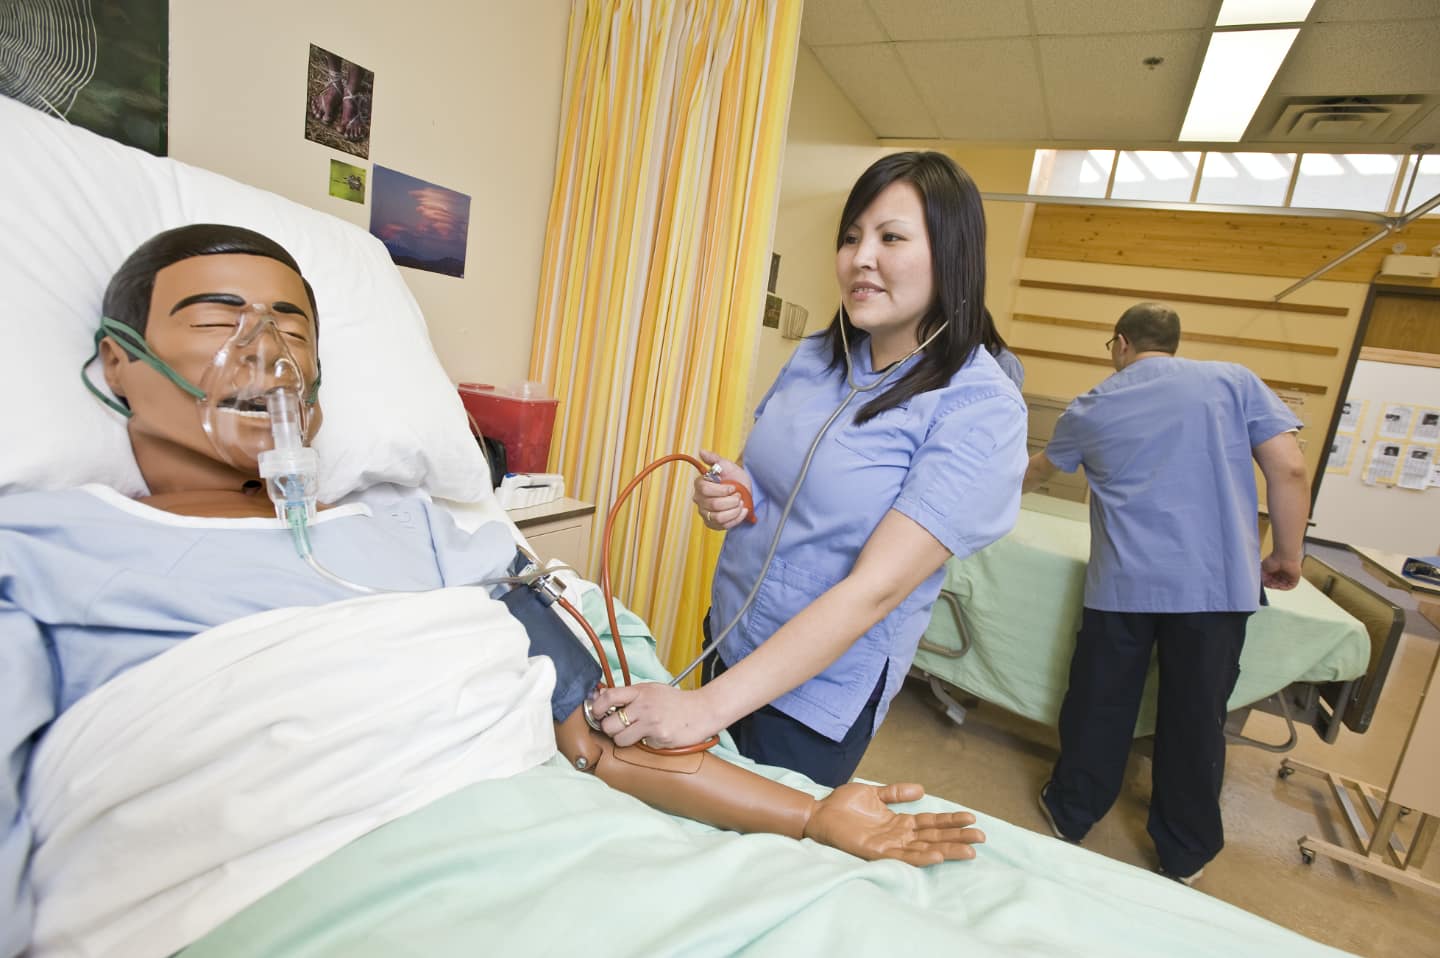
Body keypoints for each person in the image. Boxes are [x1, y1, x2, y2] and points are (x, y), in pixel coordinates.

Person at [0, 225, 988, 957]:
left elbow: (595, 732)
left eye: (290, 323)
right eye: (219, 315)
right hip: (279, 890)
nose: (265, 349)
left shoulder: (423, 526)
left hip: (554, 855)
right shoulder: (47, 549)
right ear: (119, 360)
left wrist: (808, 815)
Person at [591, 151, 1028, 786]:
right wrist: (733, 494)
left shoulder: (979, 409)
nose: (861, 257)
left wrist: (701, 709)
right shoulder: (819, 355)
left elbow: (875, 590)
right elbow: (760, 473)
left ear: (953, 255)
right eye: (851, 237)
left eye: (891, 237)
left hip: (815, 691)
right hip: (733, 635)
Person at [1021, 301, 1308, 885]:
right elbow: (1290, 470)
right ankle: (1185, 850)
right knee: (1197, 718)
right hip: (1216, 585)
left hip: (1123, 585)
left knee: (1100, 704)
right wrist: (1286, 553)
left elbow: (1038, 471)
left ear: (1120, 343)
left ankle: (1073, 812)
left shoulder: (1094, 404)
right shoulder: (1233, 382)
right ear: (1173, 343)